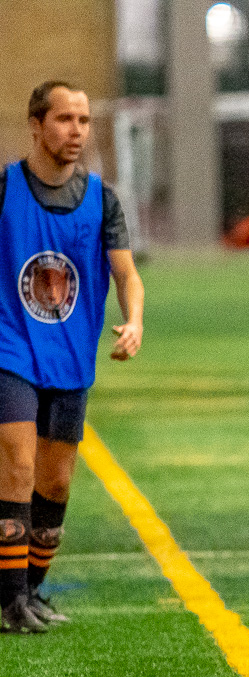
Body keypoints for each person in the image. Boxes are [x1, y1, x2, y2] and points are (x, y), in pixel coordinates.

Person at [0, 81, 144, 634]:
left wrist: (134, 320)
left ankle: (31, 591)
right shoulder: (6, 188)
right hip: (11, 350)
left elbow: (127, 274)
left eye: (83, 120)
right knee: (18, 467)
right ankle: (9, 601)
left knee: (56, 483)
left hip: (70, 359)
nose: (77, 131)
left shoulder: (102, 199)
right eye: (64, 119)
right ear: (36, 125)